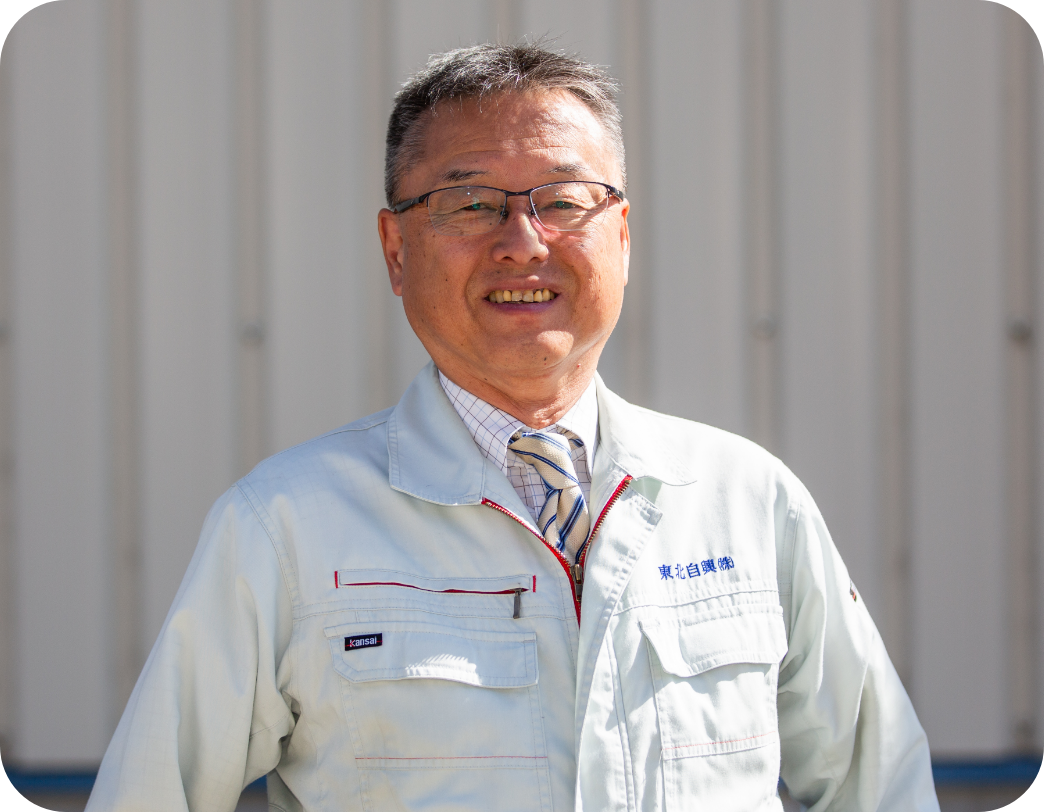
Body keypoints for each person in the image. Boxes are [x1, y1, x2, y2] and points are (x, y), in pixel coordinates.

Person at [87, 43, 939, 812]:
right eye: (470, 203)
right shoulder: (285, 526)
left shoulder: (746, 500)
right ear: (395, 250)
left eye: (563, 200)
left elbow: (881, 787)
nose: (524, 243)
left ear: (623, 236)